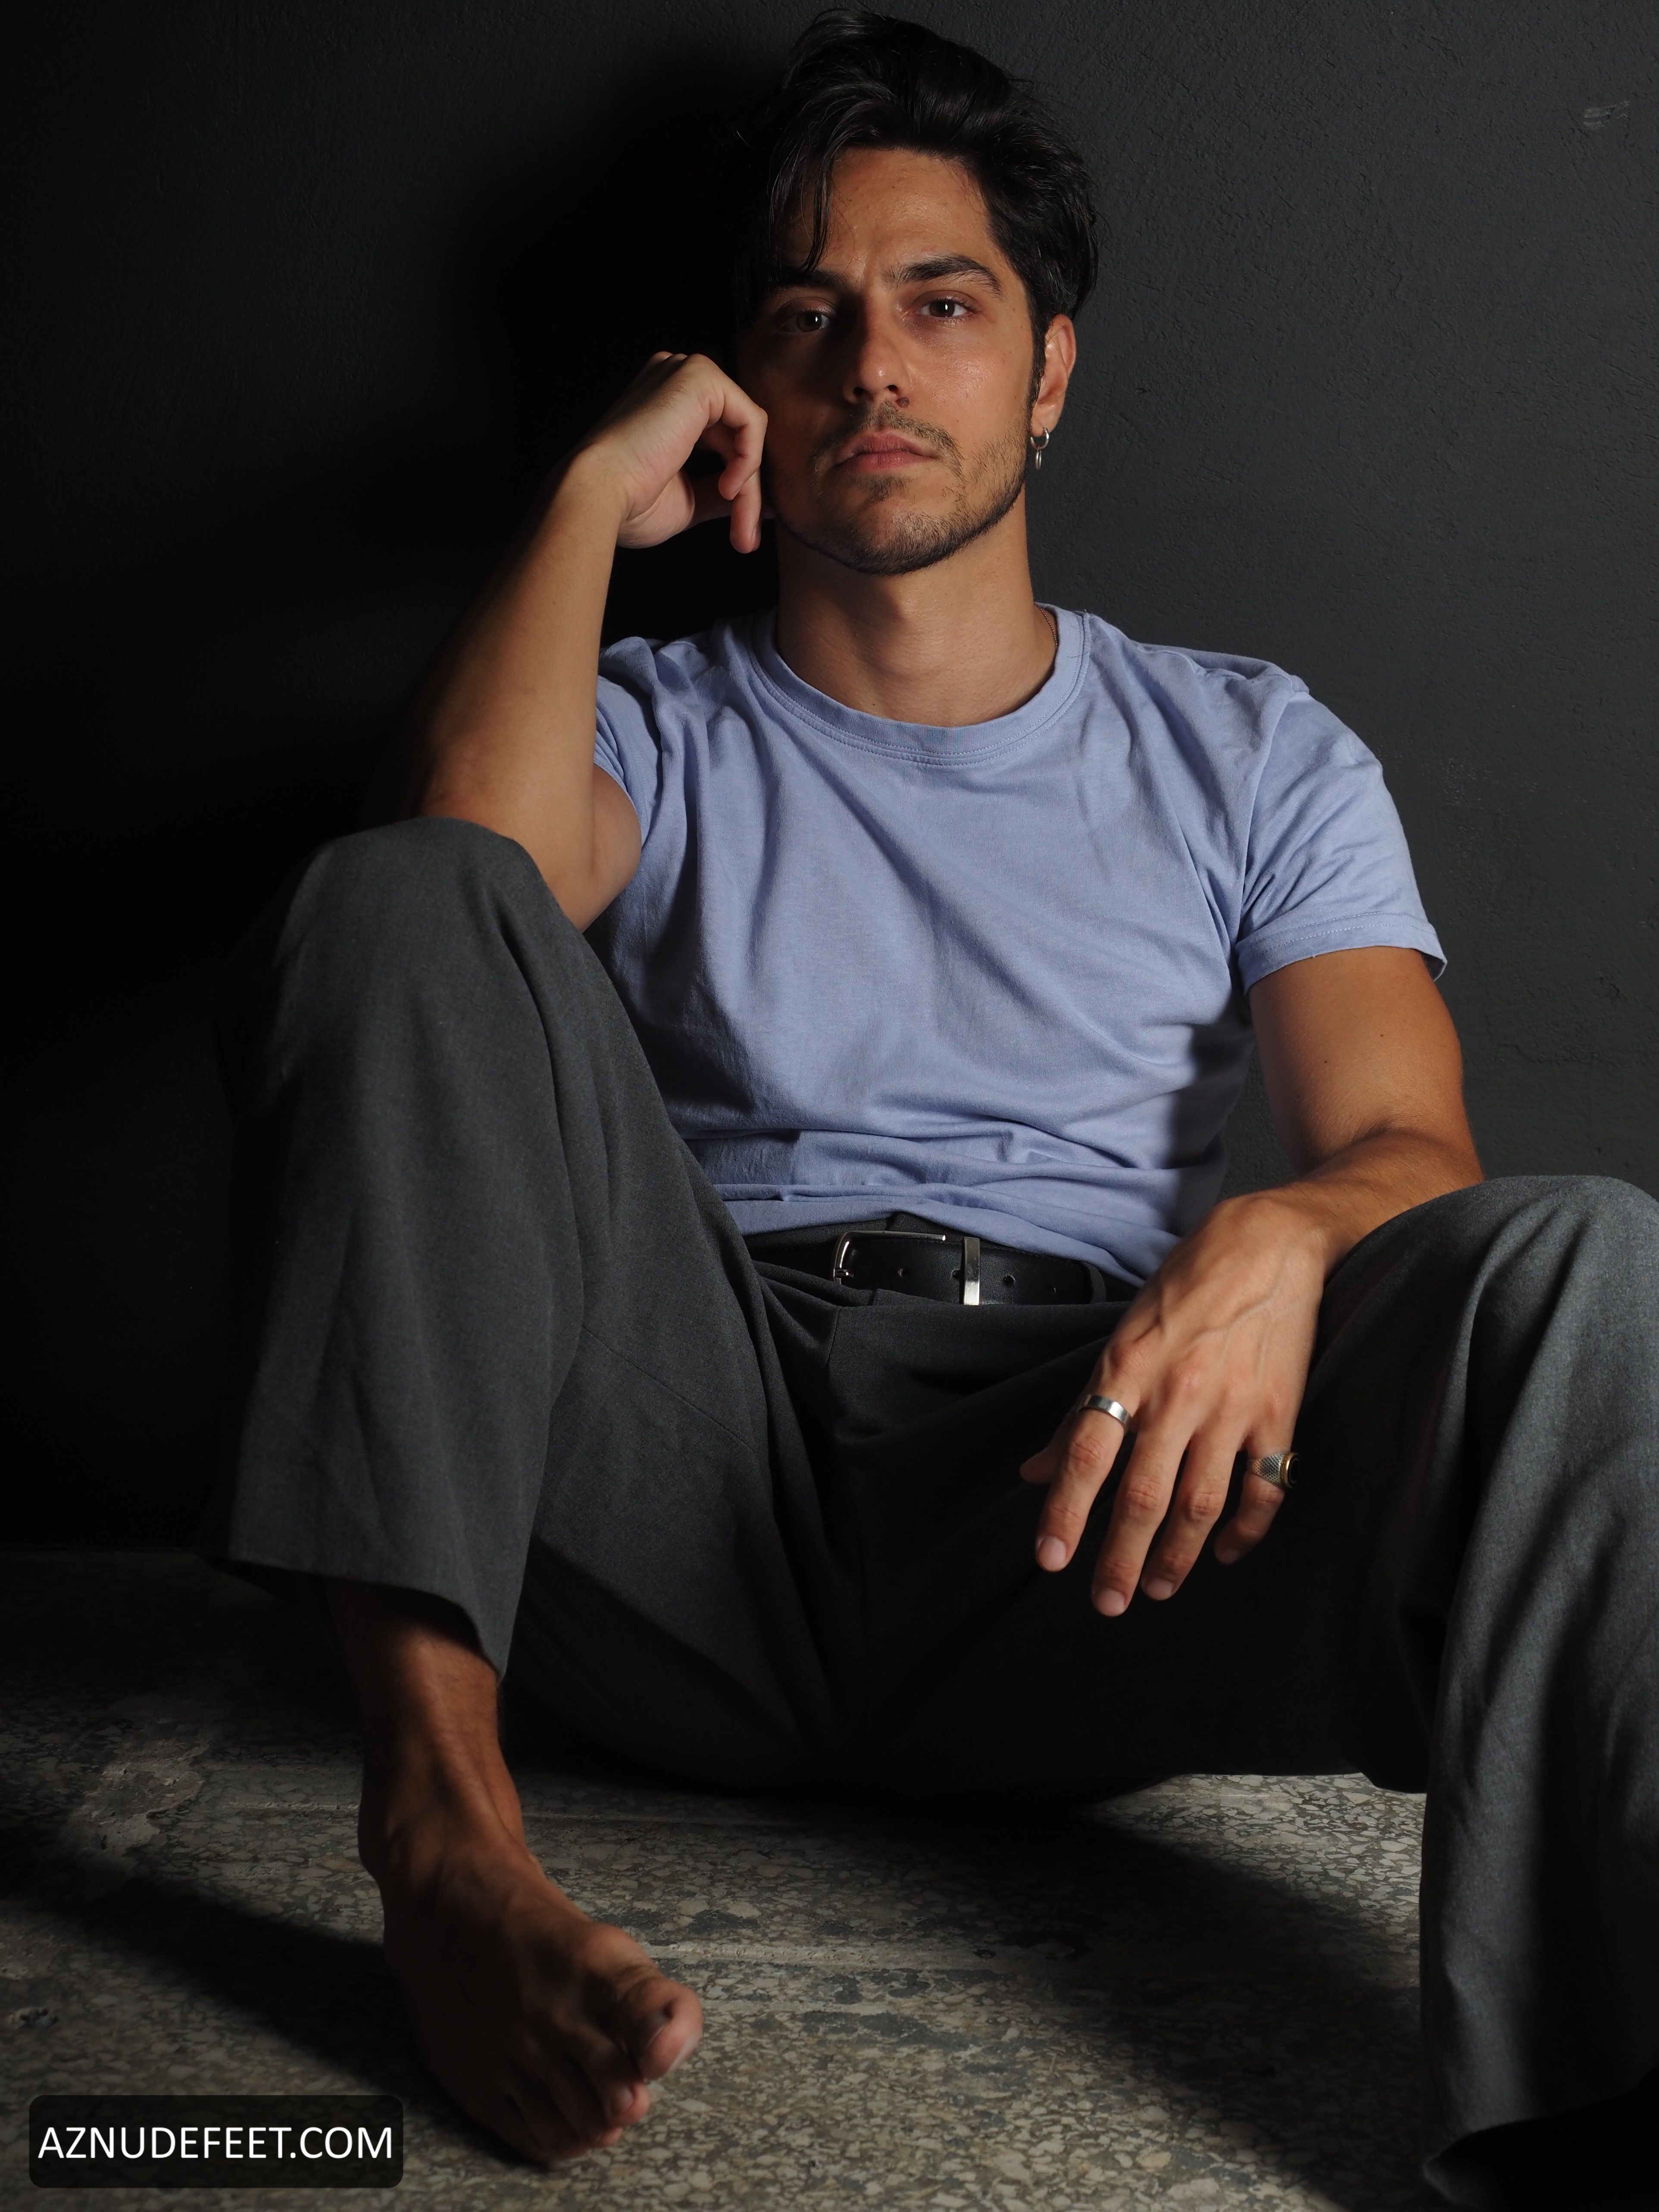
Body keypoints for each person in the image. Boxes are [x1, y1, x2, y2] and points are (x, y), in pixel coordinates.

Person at [203, 9, 1658, 2203]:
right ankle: (441, 1844)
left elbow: (1412, 1152)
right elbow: (440, 906)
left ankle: (1599, 2128)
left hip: (1089, 1505)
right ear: (739, 393)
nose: (875, 366)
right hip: (691, 1482)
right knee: (397, 889)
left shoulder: (1251, 752)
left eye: (944, 304)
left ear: (1048, 371)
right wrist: (592, 492)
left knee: (1594, 1261)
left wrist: (1278, 1233)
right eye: (808, 319)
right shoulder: (645, 724)